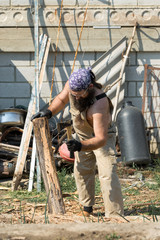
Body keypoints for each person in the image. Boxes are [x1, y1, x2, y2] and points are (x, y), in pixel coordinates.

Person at [31, 68, 124, 218]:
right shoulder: (73, 86)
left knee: (107, 174)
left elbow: (100, 139)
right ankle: (87, 208)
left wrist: (81, 146)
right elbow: (61, 100)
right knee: (81, 170)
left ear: (90, 87)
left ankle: (114, 215)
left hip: (100, 137)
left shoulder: (100, 103)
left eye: (80, 95)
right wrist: (49, 112)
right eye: (74, 95)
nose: (77, 98)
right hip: (82, 134)